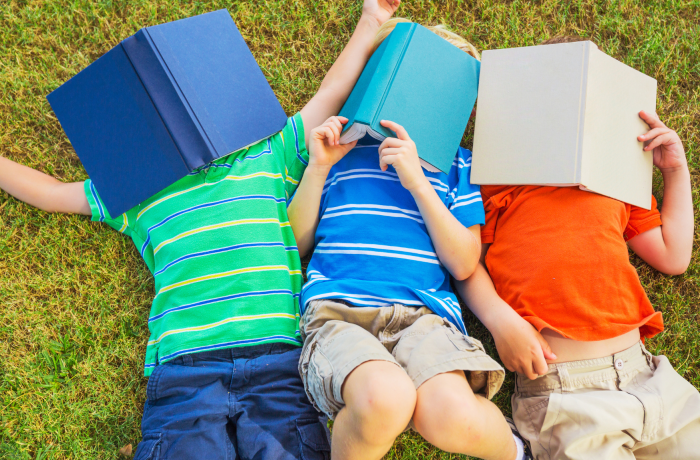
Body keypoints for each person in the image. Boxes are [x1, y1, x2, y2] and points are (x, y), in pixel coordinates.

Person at [0, 1, 401, 458]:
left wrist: (370, 22)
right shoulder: (135, 188)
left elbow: (331, 93)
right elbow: (51, 192)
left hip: (278, 362)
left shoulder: (268, 155)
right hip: (184, 371)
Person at [287, 18, 531, 460]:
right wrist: (319, 167)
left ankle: (516, 450)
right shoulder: (339, 149)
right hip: (340, 315)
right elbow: (293, 246)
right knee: (385, 399)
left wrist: (419, 182)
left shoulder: (458, 167)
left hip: (425, 321)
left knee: (454, 415)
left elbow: (463, 262)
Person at [457, 35, 700, 460]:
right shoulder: (493, 177)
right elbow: (464, 263)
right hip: (565, 393)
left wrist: (676, 173)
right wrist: (500, 322)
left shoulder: (614, 179)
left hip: (648, 377)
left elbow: (673, 256)